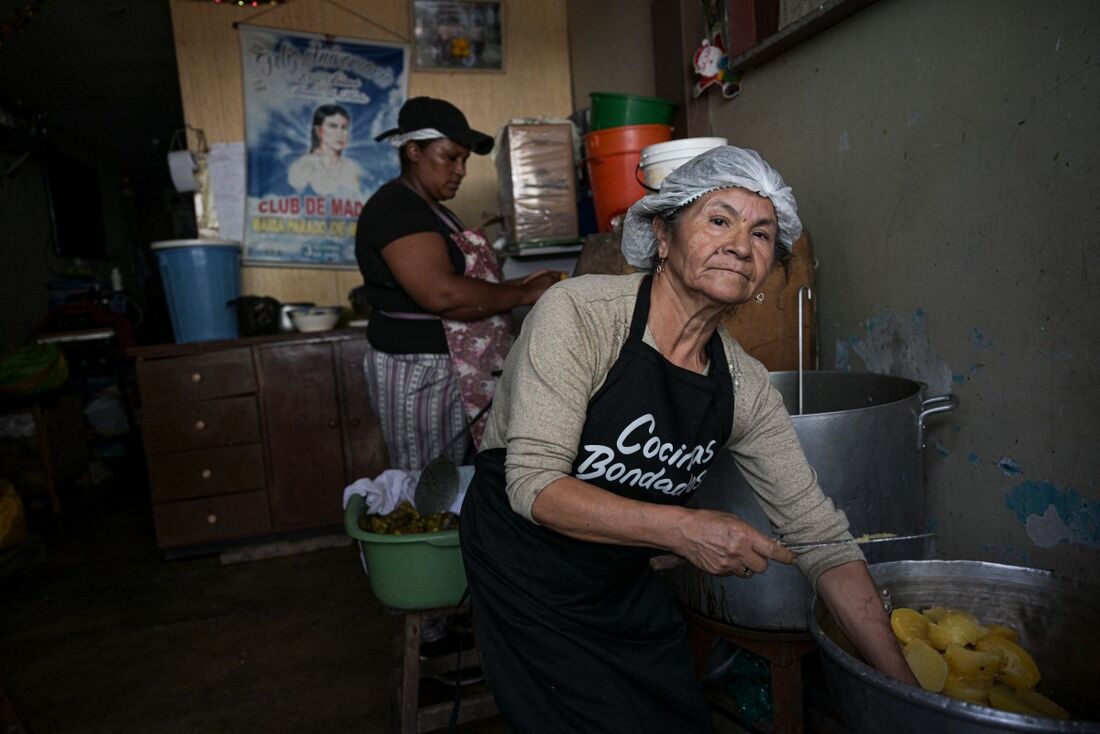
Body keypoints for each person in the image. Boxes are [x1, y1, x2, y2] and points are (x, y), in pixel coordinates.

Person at [459, 146, 919, 732]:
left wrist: (909, 697)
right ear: (661, 235)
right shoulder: (579, 315)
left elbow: (820, 536)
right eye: (719, 220)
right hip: (523, 563)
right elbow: (534, 486)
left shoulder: (742, 385)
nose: (739, 245)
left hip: (617, 572)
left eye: (761, 235)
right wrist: (684, 528)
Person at [356, 97, 561, 471]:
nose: (460, 170)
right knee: (425, 478)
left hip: (450, 367)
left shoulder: (431, 208)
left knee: (453, 475)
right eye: (450, 157)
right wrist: (522, 293)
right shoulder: (396, 208)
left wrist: (522, 283)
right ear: (413, 151)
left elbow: (460, 281)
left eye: (464, 160)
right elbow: (443, 294)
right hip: (419, 368)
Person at [288, 104, 364, 198]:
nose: (340, 133)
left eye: (344, 127)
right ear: (319, 130)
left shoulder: (352, 168)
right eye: (333, 126)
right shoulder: (301, 166)